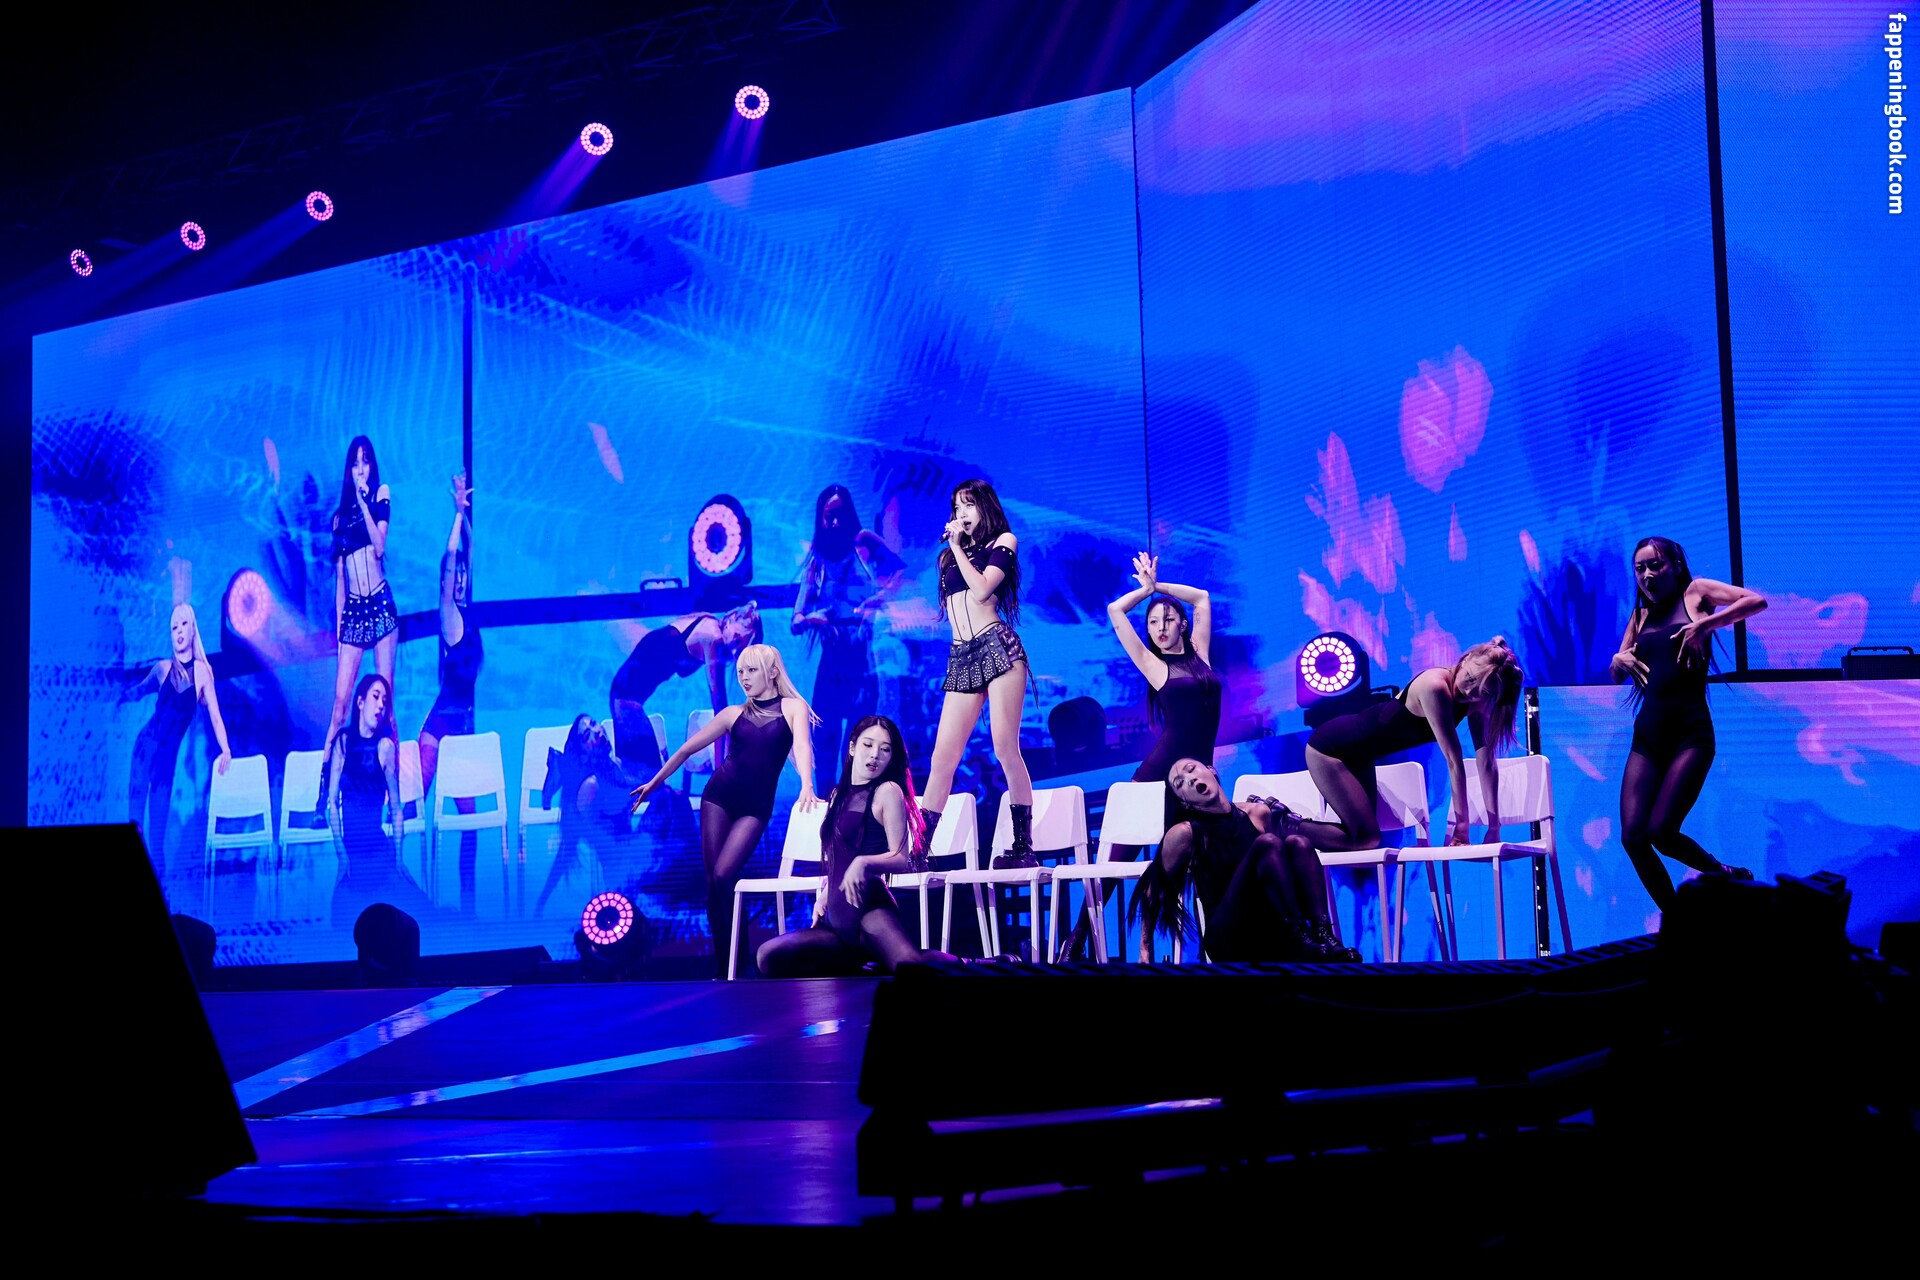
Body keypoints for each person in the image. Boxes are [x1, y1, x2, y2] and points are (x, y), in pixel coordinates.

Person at [630, 644, 820, 978]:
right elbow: (686, 750)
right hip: (718, 798)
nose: (744, 678)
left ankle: (740, 963)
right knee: (714, 881)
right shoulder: (733, 714)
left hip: (755, 808)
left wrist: (807, 785)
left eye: (752, 670)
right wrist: (654, 783)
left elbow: (802, 747)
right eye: (741, 671)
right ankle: (727, 966)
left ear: (773, 672)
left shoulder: (793, 707)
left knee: (723, 875)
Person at [1609, 537, 1767, 911]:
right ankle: (1678, 922)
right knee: (1633, 838)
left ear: (1676, 566)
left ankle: (1725, 874)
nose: (1647, 575)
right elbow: (1617, 673)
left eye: (1655, 565)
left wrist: (1706, 625)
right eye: (1640, 568)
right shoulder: (1640, 617)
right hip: (1648, 738)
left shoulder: (1696, 594)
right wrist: (1618, 660)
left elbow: (1755, 601)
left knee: (1662, 832)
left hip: (1690, 736)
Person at [757, 715, 963, 977]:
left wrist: (864, 862)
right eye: (868, 745)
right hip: (837, 918)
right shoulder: (838, 794)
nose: (875, 754)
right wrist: (825, 894)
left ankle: (976, 963)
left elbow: (901, 858)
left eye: (885, 749)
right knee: (769, 957)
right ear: (853, 747)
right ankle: (868, 964)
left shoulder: (888, 791)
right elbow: (839, 854)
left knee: (910, 966)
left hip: (869, 909)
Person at [1289, 638, 1525, 854]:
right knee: (1365, 839)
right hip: (1331, 749)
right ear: (1466, 659)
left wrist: (1494, 827)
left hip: (1360, 757)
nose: (1470, 691)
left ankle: (1283, 824)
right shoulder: (1434, 686)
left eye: (1482, 691)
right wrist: (1461, 829)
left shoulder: (1474, 702)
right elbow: (1454, 761)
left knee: (1365, 840)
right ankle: (1279, 822)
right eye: (1471, 678)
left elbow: (1486, 762)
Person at [1131, 758, 1358, 962]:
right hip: (1228, 938)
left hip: (1267, 930)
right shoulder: (1186, 832)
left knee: (1298, 843)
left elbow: (1276, 877)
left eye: (1192, 770)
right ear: (1184, 802)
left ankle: (1322, 934)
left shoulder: (1257, 813)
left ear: (1211, 771)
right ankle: (1298, 936)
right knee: (1268, 843)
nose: (1190, 779)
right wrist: (1145, 949)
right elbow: (1154, 889)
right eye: (1180, 783)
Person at [919, 479, 1036, 868]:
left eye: (968, 505)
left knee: (1004, 746)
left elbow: (983, 589)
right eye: (957, 507)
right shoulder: (949, 557)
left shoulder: (1004, 541)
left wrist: (956, 546)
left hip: (997, 646)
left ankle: (1023, 846)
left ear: (985, 506)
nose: (961, 513)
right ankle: (919, 851)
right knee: (943, 757)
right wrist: (954, 550)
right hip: (961, 654)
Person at [792, 484, 905, 797]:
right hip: (831, 661)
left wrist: (876, 600)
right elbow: (796, 619)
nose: (835, 522)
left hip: (860, 660)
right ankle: (825, 803)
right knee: (823, 735)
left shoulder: (863, 541)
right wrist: (811, 619)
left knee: (858, 738)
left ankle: (853, 802)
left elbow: (898, 574)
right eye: (829, 516)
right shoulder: (817, 560)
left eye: (840, 514)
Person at [123, 603, 232, 872]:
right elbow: (139, 690)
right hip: (144, 750)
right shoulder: (162, 669)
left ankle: (161, 891)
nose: (179, 631)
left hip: (165, 762)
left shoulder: (203, 673)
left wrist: (226, 749)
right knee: (133, 827)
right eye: (174, 627)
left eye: (184, 624)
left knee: (156, 838)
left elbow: (216, 716)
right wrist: (115, 696)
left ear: (193, 629)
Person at [608, 603, 763, 782]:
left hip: (625, 694)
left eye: (739, 650)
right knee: (649, 778)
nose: (734, 650)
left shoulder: (709, 622)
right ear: (730, 621)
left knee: (644, 776)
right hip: (625, 699)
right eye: (736, 639)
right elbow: (720, 709)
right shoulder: (714, 638)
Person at [328, 673, 430, 928]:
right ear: (360, 702)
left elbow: (396, 807)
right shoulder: (342, 742)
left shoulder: (385, 747)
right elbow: (333, 804)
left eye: (385, 700)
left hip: (377, 852)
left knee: (411, 916)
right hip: (352, 853)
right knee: (341, 920)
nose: (381, 705)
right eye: (375, 697)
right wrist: (341, 854)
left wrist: (399, 856)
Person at [324, 436, 399, 765]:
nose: (360, 469)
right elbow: (340, 581)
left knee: (386, 702)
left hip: (379, 604)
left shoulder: (381, 494)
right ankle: (325, 780)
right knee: (340, 705)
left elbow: (379, 547)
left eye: (365, 461)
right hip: (354, 611)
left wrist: (364, 503)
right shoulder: (339, 519)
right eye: (355, 463)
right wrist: (341, 635)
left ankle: (392, 784)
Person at [418, 472, 480, 797]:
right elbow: (453, 553)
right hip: (441, 723)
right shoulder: (448, 613)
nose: (459, 579)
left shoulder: (466, 612)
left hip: (463, 724)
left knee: (468, 814)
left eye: (462, 575)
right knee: (416, 803)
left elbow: (470, 548)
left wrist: (464, 513)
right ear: (444, 580)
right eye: (453, 575)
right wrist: (456, 514)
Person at [532, 715, 631, 918]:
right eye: (587, 735)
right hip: (593, 818)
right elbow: (547, 803)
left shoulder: (616, 765)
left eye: (594, 724)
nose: (597, 731)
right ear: (584, 752)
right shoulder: (590, 785)